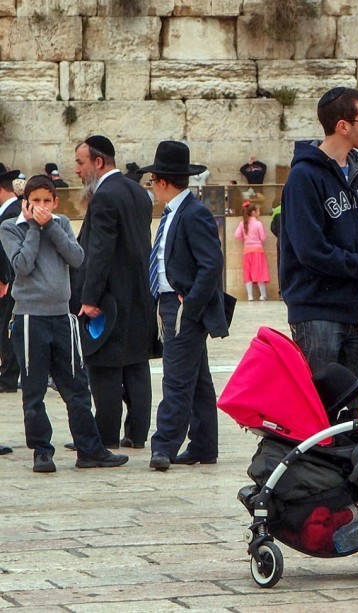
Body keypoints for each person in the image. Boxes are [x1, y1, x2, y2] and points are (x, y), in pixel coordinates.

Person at [0, 175, 128, 472]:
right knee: (33, 391)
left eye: (47, 201)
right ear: (26, 203)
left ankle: (90, 449)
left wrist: (51, 227)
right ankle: (42, 451)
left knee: (76, 387)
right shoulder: (10, 228)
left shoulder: (61, 224)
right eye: (36, 201)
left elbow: (77, 257)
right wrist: (34, 226)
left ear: (55, 202)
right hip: (30, 317)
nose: (42, 206)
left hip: (61, 317)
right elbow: (22, 265)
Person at [279, 86, 358, 401]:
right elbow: (313, 253)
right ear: (343, 126)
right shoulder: (304, 177)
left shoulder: (355, 173)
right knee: (322, 409)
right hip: (318, 314)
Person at [141, 141, 228, 471]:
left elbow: (211, 263)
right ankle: (205, 444)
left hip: (182, 308)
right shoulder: (175, 212)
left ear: (162, 182)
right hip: (170, 303)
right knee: (198, 379)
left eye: (153, 181)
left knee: (176, 378)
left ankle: (164, 444)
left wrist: (190, 305)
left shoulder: (194, 213)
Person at [73, 135, 156, 450]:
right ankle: (137, 433)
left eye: (81, 163)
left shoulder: (105, 196)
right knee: (136, 363)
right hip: (139, 294)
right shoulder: (138, 191)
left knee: (104, 365)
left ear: (98, 162)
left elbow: (100, 252)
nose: (77, 171)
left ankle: (105, 435)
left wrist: (89, 297)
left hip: (112, 299)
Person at [0, 164, 22, 394]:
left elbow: (9, 250)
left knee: (8, 327)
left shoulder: (12, 213)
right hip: (9, 279)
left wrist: (4, 278)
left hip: (11, 281)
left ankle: (8, 377)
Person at [235, 200, 270, 301]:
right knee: (259, 272)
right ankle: (263, 295)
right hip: (258, 250)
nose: (259, 213)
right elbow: (263, 238)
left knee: (248, 273)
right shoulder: (258, 224)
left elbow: (237, 235)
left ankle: (250, 295)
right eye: (258, 211)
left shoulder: (242, 223)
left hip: (247, 250)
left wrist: (245, 240)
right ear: (254, 212)